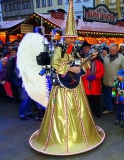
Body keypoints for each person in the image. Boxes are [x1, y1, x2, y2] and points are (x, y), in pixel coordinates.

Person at [29, 0, 105, 155]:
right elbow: (56, 64)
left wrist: (87, 61)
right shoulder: (59, 48)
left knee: (79, 111)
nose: (73, 39)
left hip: (75, 86)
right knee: (61, 111)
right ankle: (60, 138)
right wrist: (70, 67)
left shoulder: (76, 49)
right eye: (70, 37)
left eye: (74, 37)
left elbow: (81, 65)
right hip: (63, 88)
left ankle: (81, 134)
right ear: (65, 36)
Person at [102, 43, 124, 115]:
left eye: (114, 49)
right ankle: (109, 108)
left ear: (117, 49)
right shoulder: (106, 57)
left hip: (116, 81)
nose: (113, 51)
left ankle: (120, 110)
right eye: (111, 49)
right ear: (109, 50)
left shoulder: (121, 58)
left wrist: (121, 78)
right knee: (107, 95)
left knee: (118, 96)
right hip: (107, 79)